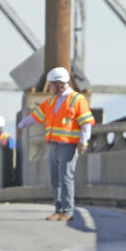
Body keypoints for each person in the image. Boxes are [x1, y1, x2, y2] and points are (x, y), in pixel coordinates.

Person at [16, 67, 95, 222]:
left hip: (68, 146)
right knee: (55, 179)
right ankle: (59, 210)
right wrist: (21, 125)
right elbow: (36, 116)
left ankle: (68, 211)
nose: (49, 87)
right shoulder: (52, 101)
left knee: (66, 178)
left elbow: (86, 123)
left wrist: (83, 141)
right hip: (53, 145)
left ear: (59, 84)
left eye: (51, 84)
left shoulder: (77, 100)